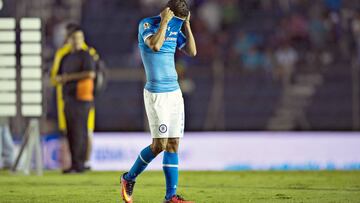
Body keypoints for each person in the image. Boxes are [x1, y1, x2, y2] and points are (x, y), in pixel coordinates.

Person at [120, 0, 197, 202]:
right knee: (159, 145)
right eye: (178, 19)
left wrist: (186, 25)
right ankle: (128, 178)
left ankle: (170, 196)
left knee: (173, 144)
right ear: (168, 13)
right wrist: (164, 22)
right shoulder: (147, 24)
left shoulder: (178, 25)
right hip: (156, 94)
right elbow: (155, 46)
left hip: (174, 93)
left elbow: (192, 51)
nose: (179, 24)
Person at [51, 23, 98, 171]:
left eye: (80, 37)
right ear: (69, 39)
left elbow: (91, 74)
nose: (78, 41)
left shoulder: (87, 54)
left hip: (83, 98)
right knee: (71, 132)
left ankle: (82, 163)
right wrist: (62, 79)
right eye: (75, 38)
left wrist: (68, 78)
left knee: (81, 132)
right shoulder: (64, 56)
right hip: (68, 99)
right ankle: (74, 164)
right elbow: (56, 76)